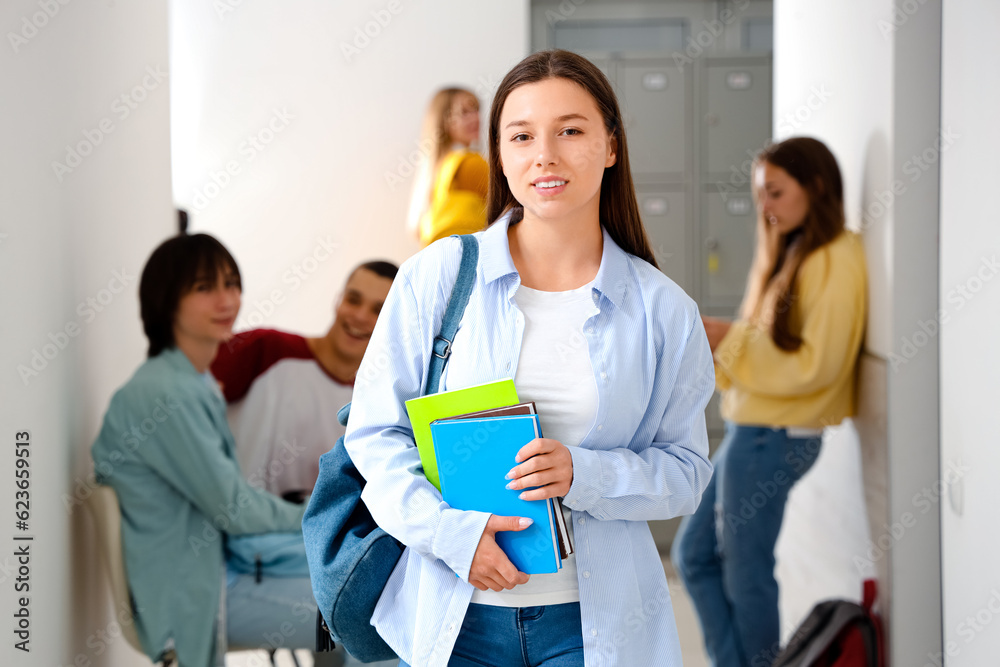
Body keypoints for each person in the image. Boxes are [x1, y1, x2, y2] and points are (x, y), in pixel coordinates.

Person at [342, 49, 715, 667]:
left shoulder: (661, 310)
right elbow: (376, 433)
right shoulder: (436, 279)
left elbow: (686, 473)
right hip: (452, 620)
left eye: (571, 131)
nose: (545, 155)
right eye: (521, 136)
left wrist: (584, 474)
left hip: (593, 630)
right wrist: (453, 538)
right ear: (501, 155)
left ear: (612, 146)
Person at [672, 137, 868, 667]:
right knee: (695, 556)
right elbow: (761, 342)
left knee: (745, 569)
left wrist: (727, 338)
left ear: (817, 187)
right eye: (761, 194)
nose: (766, 207)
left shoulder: (836, 258)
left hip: (772, 439)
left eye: (776, 192)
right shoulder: (792, 253)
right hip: (750, 434)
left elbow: (817, 364)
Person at [91, 234, 319, 667]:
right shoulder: (164, 393)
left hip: (221, 565)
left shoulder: (191, 381)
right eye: (204, 288)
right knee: (375, 605)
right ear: (166, 300)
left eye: (232, 284)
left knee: (366, 577)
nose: (226, 299)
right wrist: (314, 515)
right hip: (196, 588)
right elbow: (233, 509)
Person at [211, 260, 398, 499]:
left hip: (302, 535)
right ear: (338, 300)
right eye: (353, 300)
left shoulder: (379, 408)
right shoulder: (264, 349)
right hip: (226, 525)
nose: (361, 316)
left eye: (378, 310)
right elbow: (183, 407)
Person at [406, 87, 489, 246]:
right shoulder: (469, 163)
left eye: (476, 110)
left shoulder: (434, 171)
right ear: (444, 121)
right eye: (464, 112)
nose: (476, 118)